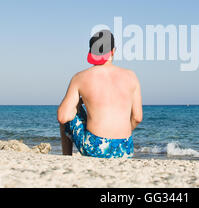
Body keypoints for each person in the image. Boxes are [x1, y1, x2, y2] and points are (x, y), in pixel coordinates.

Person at [57, 30, 143, 158]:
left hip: (96, 148)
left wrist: (78, 104)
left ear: (91, 52)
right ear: (113, 51)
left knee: (66, 109)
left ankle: (67, 157)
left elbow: (63, 117)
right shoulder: (131, 76)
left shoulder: (80, 77)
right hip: (125, 149)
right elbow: (137, 118)